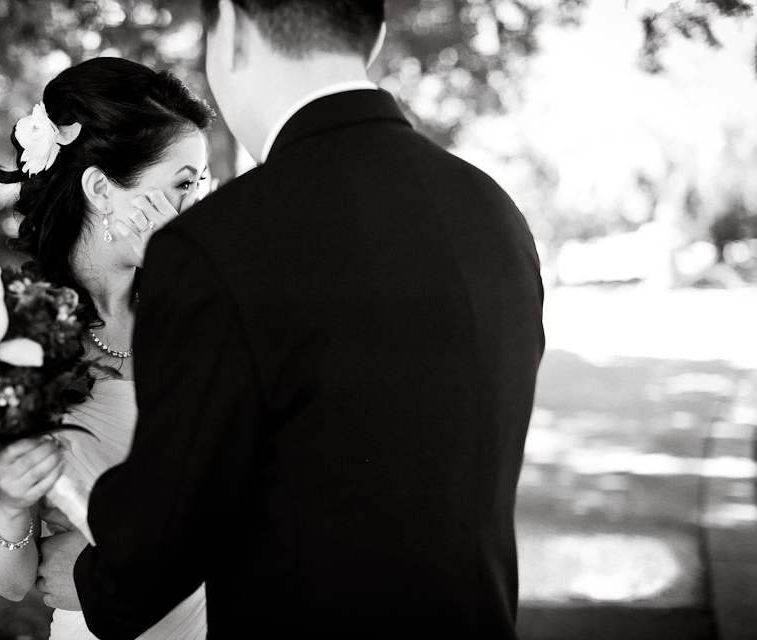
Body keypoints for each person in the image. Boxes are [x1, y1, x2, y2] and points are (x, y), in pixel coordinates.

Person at [45, 1, 546, 637]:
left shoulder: (217, 245)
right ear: (377, 33)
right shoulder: (494, 214)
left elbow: (175, 517)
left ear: (229, 27)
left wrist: (93, 581)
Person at [0, 57, 213, 640]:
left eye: (200, 185)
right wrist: (8, 505)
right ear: (102, 189)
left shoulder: (209, 319)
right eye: (184, 184)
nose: (200, 207)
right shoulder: (19, 344)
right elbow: (13, 582)